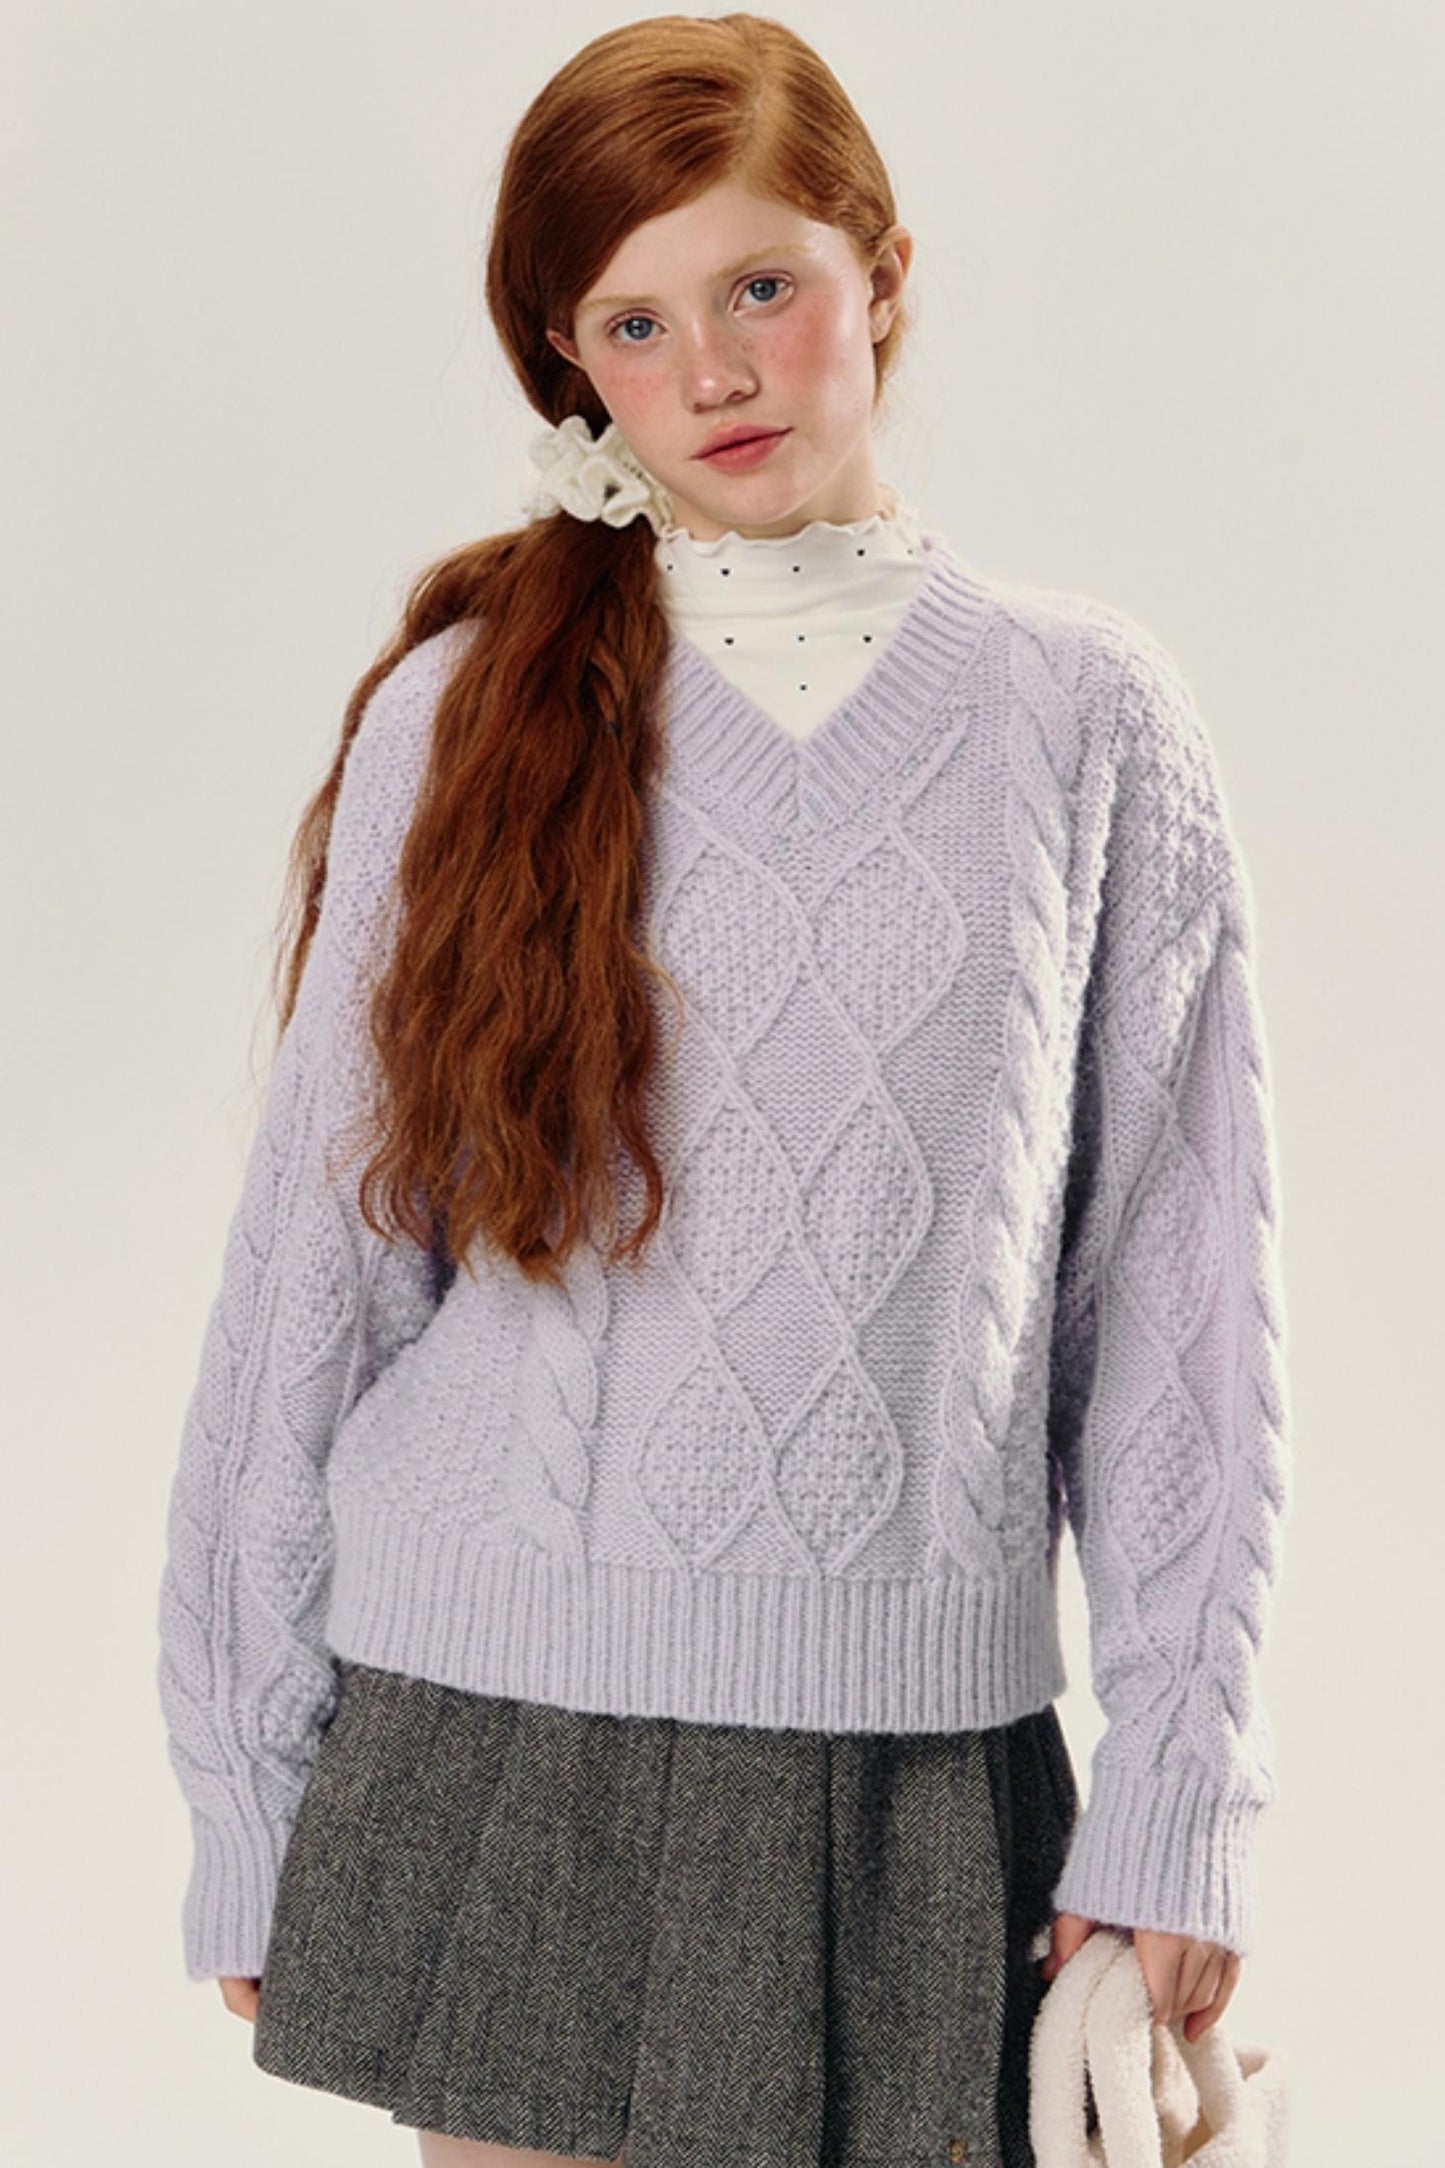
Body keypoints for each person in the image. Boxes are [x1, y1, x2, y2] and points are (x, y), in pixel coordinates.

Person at [154, 15, 1292, 2168]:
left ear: (883, 270)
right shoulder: (465, 716)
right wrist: (243, 1775)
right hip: (497, 1739)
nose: (714, 369)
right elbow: (314, 1276)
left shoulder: (1087, 719)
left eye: (762, 283)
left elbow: (1178, 1310)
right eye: (636, 322)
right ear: (572, 362)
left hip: (911, 1766)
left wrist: (1179, 1788)